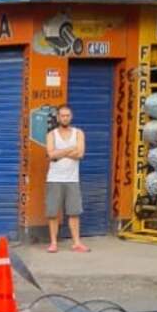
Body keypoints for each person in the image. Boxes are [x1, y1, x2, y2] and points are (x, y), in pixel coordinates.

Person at [46, 105, 89, 253]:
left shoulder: (78, 133)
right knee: (53, 213)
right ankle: (53, 243)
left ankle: (76, 242)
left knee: (74, 212)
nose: (65, 118)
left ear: (71, 117)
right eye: (62, 115)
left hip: (72, 179)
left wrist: (60, 152)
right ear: (58, 117)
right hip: (54, 178)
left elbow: (80, 154)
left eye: (67, 115)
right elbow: (51, 155)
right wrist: (70, 149)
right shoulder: (52, 134)